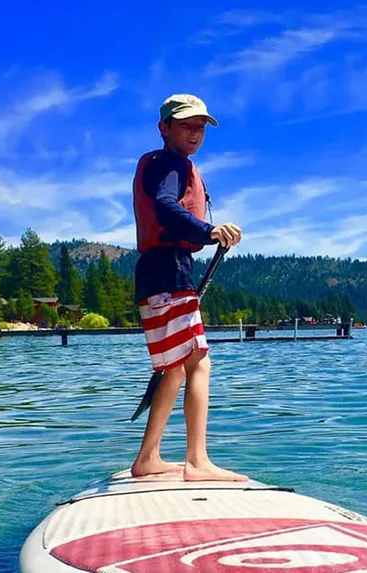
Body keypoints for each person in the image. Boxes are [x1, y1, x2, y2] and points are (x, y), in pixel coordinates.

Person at [129, 94, 247, 482]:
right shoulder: (170, 164)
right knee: (198, 361)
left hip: (158, 272)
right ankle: (197, 461)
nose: (195, 133)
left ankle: (148, 458)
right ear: (164, 128)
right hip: (167, 271)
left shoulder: (166, 164)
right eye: (186, 125)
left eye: (200, 126)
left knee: (175, 368)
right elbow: (165, 206)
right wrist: (208, 230)